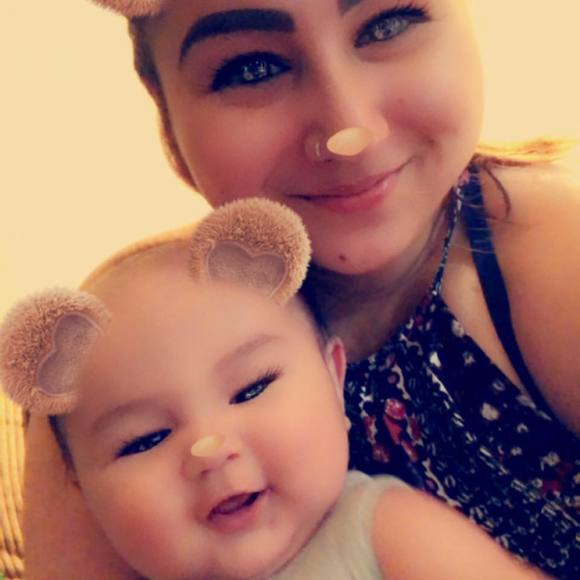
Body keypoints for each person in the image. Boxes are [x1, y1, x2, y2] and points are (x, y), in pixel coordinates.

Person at [19, 0, 580, 578]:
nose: (349, 131)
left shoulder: (551, 251)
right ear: (165, 110)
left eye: (386, 25)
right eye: (253, 68)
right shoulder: (116, 353)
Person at [0, 208, 546, 578]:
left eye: (251, 389)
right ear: (82, 492)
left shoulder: (383, 530)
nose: (210, 449)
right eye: (145, 439)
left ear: (334, 379)